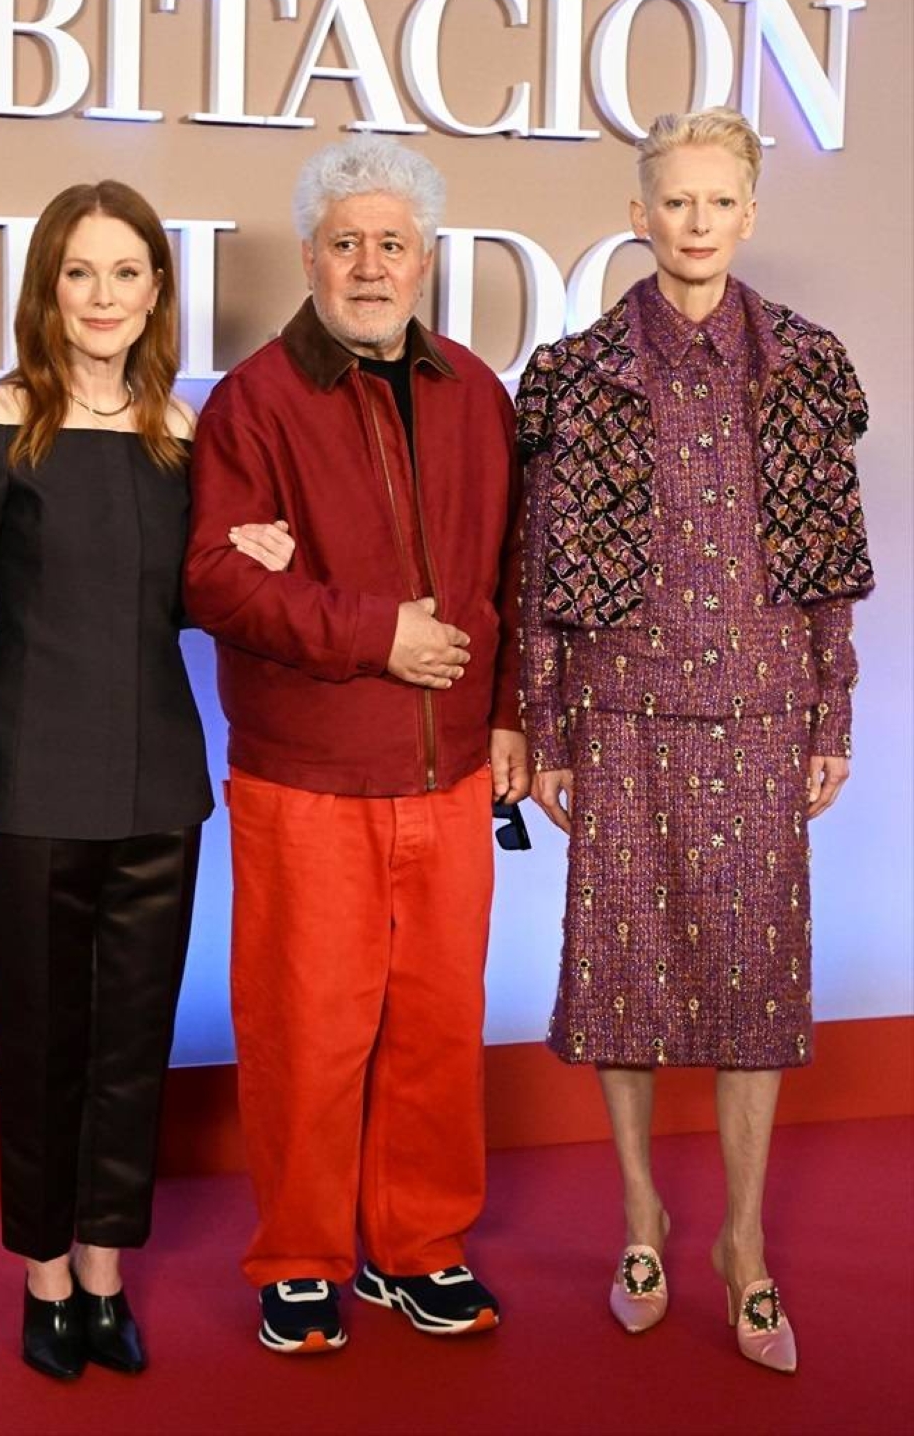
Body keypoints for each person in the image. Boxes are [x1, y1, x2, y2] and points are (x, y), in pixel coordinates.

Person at [517, 108, 873, 1374]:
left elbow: (829, 567)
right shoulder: (575, 372)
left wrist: (833, 713)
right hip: (617, 715)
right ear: (637, 213)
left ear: (748, 215)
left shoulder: (807, 366)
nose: (695, 223)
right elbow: (537, 569)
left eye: (717, 202)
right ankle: (640, 1221)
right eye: (673, 202)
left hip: (765, 713)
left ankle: (747, 1247)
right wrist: (546, 727)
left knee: (752, 991)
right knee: (621, 990)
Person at [0, 180, 292, 1381]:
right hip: (23, 783)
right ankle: (40, 1279)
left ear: (155, 291)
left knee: (131, 1042)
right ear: (48, 287)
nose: (102, 296)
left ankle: (101, 1275)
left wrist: (252, 553)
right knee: (38, 1039)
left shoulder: (182, 436)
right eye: (79, 272)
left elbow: (184, 603)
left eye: (124, 272)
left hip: (155, 786)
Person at [184, 137, 528, 1354]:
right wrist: (378, 634)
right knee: (307, 1028)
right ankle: (298, 1257)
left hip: (452, 776)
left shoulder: (477, 392)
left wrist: (509, 714)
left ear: (424, 257)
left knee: (438, 1022)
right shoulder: (252, 402)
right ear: (309, 257)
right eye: (346, 243)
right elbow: (216, 579)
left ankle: (419, 1245)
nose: (369, 265)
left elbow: (511, 578)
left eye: (390, 243)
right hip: (307, 777)